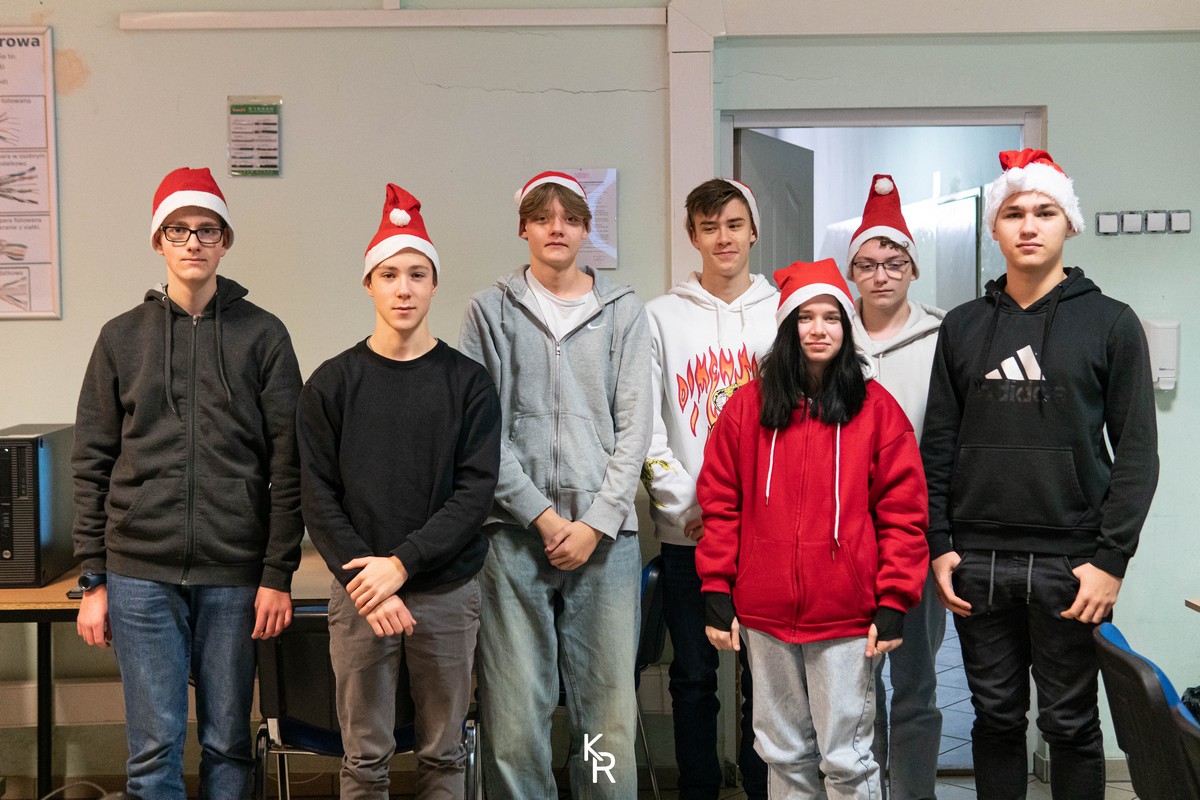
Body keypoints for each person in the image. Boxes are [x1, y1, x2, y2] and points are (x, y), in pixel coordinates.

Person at [921, 149, 1159, 799]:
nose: (1029, 225)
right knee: (996, 722)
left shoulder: (1111, 323)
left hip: (1073, 565)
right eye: (1014, 212)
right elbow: (937, 444)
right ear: (994, 229)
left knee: (1071, 726)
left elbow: (1137, 453)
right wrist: (939, 544)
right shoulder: (963, 327)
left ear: (1069, 225)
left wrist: (1111, 560)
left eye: (1045, 212)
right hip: (978, 562)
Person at [72, 166, 304, 799]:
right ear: (159, 241)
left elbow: (289, 464)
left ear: (225, 241)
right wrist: (93, 578)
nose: (193, 241)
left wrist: (277, 573)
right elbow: (91, 461)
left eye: (207, 230)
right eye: (179, 230)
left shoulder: (265, 335)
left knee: (229, 743)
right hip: (139, 575)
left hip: (235, 575)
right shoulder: (121, 338)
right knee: (153, 751)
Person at [697, 259, 929, 800]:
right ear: (787, 328)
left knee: (847, 760)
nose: (818, 329)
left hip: (846, 617)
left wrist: (894, 598)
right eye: (805, 318)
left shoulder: (877, 411)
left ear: (847, 328)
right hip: (765, 615)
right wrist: (716, 587)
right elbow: (721, 503)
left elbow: (903, 512)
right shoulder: (746, 409)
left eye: (831, 317)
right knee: (783, 756)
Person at [297, 184, 501, 799]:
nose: (403, 288)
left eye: (417, 274)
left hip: (446, 592)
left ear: (434, 284)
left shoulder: (468, 384)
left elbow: (474, 494)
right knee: (364, 759)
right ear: (369, 284)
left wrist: (402, 564)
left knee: (443, 754)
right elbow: (317, 495)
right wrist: (370, 578)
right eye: (389, 275)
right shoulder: (331, 384)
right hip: (360, 593)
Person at [459, 170, 652, 799]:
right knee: (516, 715)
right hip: (513, 538)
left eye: (570, 218)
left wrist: (595, 523)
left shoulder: (624, 313)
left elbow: (635, 429)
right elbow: (481, 430)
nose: (557, 228)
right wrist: (541, 516)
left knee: (606, 719)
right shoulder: (489, 311)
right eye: (542, 218)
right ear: (524, 229)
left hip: (606, 543)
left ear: (586, 229)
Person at [642, 177, 772, 800]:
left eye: (734, 224)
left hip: (769, 537)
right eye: (709, 227)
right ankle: (697, 788)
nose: (724, 238)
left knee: (766, 681)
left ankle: (761, 786)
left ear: (753, 231)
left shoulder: (785, 312)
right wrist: (690, 505)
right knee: (692, 676)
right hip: (687, 533)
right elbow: (644, 426)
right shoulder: (659, 318)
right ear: (692, 236)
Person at [845, 174, 946, 800]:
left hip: (918, 534)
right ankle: (865, 788)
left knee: (916, 681)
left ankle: (913, 792)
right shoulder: (830, 334)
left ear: (912, 269)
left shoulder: (943, 336)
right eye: (867, 264)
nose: (880, 275)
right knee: (857, 684)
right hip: (848, 538)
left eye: (894, 263)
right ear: (851, 272)